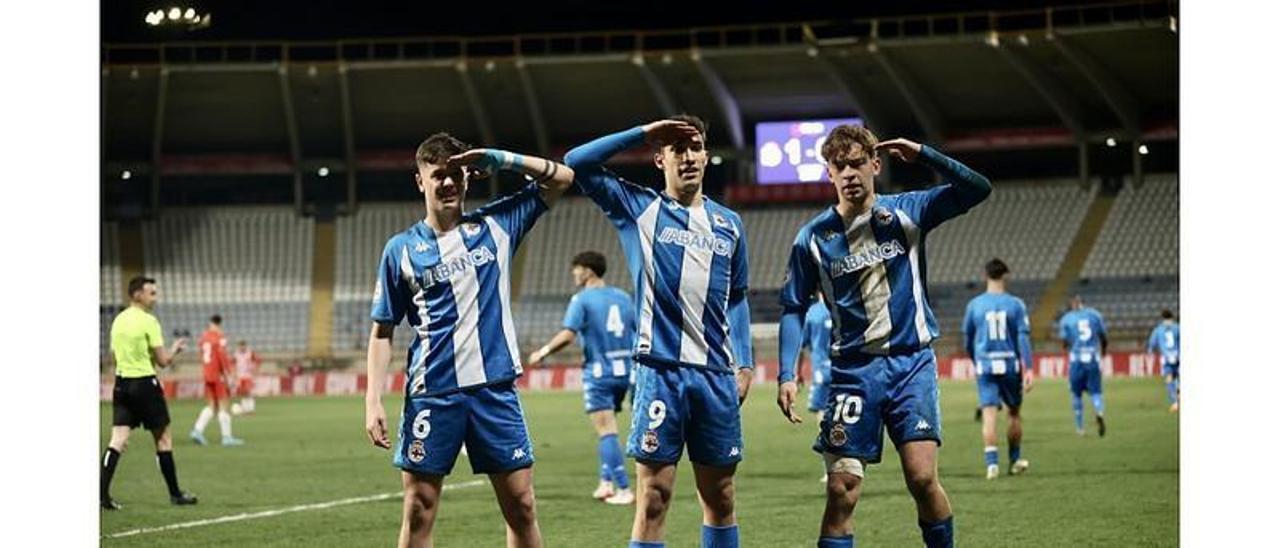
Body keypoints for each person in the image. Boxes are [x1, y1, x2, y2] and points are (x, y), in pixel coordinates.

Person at [776, 124, 991, 548]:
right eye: (840, 166)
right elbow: (793, 306)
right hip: (853, 373)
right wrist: (787, 372)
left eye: (858, 163)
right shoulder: (814, 239)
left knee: (922, 478)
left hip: (911, 364)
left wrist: (925, 155)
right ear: (829, 174)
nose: (850, 173)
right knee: (840, 490)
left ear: (876, 165)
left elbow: (977, 189)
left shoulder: (909, 210)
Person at [363, 132, 574, 548]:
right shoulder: (400, 250)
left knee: (522, 507)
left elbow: (563, 178)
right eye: (438, 174)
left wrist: (500, 158)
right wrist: (372, 400)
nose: (447, 183)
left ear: (468, 178)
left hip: (494, 390)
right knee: (418, 509)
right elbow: (382, 330)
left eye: (456, 173)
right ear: (420, 181)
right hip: (433, 394)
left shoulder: (497, 226)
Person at [565, 115, 754, 548]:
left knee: (721, 497)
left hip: (714, 375)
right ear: (659, 159)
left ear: (706, 156)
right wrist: (644, 131)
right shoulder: (640, 210)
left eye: (694, 147)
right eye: (676, 149)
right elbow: (578, 161)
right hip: (660, 373)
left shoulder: (730, 225)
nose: (687, 157)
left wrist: (743, 361)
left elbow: (738, 297)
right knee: (652, 498)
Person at [527, 251, 637, 505]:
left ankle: (624, 490)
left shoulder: (582, 300)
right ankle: (606, 482)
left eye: (576, 269)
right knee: (610, 425)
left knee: (606, 430)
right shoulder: (623, 297)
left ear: (587, 271)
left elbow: (568, 335)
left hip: (600, 372)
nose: (574, 273)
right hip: (626, 372)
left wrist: (541, 353)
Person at [101, 276, 198, 510]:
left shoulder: (118, 321)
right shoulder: (148, 321)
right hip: (145, 385)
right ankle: (175, 494)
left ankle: (101, 496)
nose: (155, 297)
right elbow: (163, 361)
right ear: (137, 295)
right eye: (151, 292)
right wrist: (174, 349)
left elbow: (113, 356)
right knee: (163, 439)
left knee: (118, 440)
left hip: (122, 385)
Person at [962, 259, 1034, 480]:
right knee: (1013, 413)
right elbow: (1022, 338)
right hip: (1009, 364)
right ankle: (1014, 461)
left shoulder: (974, 305)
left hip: (985, 365)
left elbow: (968, 339)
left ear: (985, 275)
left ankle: (991, 465)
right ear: (1006, 275)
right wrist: (1029, 367)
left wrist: (976, 361)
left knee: (989, 416)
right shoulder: (1016, 305)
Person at [792, 299, 833, 483]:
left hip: (821, 372)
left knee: (823, 419)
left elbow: (802, 346)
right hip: (844, 370)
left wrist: (798, 373)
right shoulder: (841, 306)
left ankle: (829, 469)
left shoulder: (813, 313)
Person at [1059, 296, 1109, 436]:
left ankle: (1080, 428)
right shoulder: (1095, 315)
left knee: (1076, 393)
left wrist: (1068, 346)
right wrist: (1103, 351)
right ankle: (1099, 411)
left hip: (1076, 360)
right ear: (1082, 303)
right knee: (1096, 392)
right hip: (1093, 358)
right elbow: (1103, 336)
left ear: (1071, 305)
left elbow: (1064, 341)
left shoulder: (1067, 318)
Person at [190, 315, 243, 446]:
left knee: (212, 405)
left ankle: (197, 430)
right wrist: (230, 372)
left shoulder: (203, 338)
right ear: (218, 324)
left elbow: (203, 355)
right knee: (224, 405)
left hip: (207, 374)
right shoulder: (220, 338)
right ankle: (227, 437)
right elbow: (222, 356)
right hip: (217, 375)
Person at [1146, 309, 1180, 412]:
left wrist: (1150, 352)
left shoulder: (1158, 330)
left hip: (1166, 358)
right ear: (1172, 318)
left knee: (1169, 378)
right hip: (1178, 356)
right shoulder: (1178, 328)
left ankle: (1175, 403)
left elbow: (1152, 344)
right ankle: (1178, 391)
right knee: (1178, 377)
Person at [232, 340, 261, 415]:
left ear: (246, 346)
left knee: (248, 392)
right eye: (240, 346)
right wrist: (234, 374)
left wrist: (255, 371)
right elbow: (233, 364)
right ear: (238, 346)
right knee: (242, 393)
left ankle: (251, 409)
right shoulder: (236, 354)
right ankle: (245, 409)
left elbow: (258, 361)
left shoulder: (250, 353)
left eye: (243, 346)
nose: (242, 347)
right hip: (240, 376)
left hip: (248, 376)